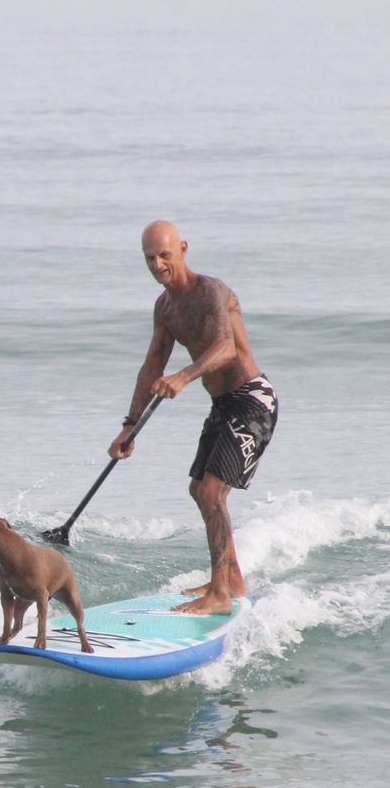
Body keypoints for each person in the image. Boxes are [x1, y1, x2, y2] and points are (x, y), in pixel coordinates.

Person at [108, 220, 278, 615]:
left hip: (252, 400)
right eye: (150, 258)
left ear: (183, 248)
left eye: (164, 255)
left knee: (210, 492)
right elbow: (153, 363)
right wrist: (129, 427)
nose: (157, 265)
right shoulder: (165, 308)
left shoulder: (211, 292)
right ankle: (231, 579)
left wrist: (183, 378)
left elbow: (226, 347)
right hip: (223, 406)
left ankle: (219, 595)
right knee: (198, 489)